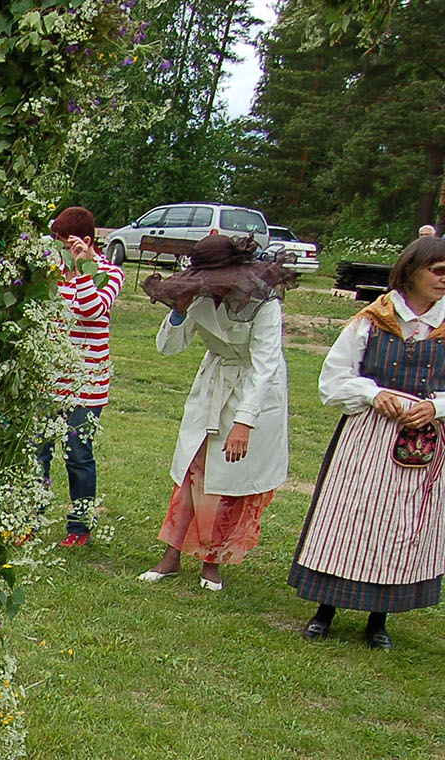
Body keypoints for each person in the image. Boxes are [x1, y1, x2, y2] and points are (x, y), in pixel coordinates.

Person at [289, 235, 445, 649]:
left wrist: (436, 407)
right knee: (348, 518)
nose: (444, 280)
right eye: (438, 270)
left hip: (422, 445)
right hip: (368, 437)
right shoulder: (372, 319)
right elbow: (332, 382)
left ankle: (379, 620)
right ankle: (325, 610)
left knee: (401, 525)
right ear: (411, 271)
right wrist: (373, 394)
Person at [135, 235, 294, 593]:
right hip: (212, 385)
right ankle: (171, 556)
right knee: (193, 471)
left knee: (228, 481)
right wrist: (179, 310)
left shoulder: (263, 301)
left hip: (253, 389)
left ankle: (212, 561)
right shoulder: (200, 296)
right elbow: (168, 348)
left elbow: (265, 365)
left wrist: (244, 421)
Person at [39, 205, 123, 546]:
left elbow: (91, 311)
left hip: (87, 384)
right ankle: (30, 516)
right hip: (49, 379)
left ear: (85, 241)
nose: (59, 248)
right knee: (37, 450)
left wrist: (83, 271)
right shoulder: (53, 272)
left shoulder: (108, 273)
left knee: (78, 453)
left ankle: (79, 526)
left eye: (64, 242)